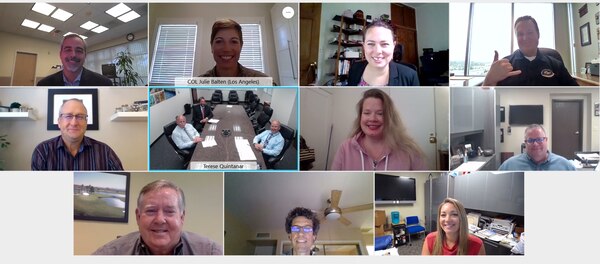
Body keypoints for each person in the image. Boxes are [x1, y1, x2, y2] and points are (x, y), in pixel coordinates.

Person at [92, 179, 223, 255]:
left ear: (182, 217)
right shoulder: (110, 254)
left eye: (169, 211)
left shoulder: (210, 252)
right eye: (151, 211)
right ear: (138, 216)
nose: (160, 219)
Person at [332, 88, 426, 170]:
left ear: (390, 118)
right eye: (367, 113)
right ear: (360, 116)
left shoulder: (409, 151)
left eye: (380, 113)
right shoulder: (345, 148)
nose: (372, 119)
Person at [482, 16, 578, 86]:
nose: (525, 38)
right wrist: (489, 80)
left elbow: (577, 94)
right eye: (520, 34)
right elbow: (486, 104)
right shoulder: (504, 65)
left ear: (538, 35)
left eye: (530, 32)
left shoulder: (556, 65)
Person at [31, 99, 123, 170]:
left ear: (86, 122)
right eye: (68, 116)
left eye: (80, 117)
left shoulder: (105, 152)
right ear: (59, 122)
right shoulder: (42, 151)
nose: (74, 123)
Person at [347, 19, 419, 86]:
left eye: (384, 44)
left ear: (393, 46)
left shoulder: (410, 76)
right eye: (371, 44)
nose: (378, 51)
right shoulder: (354, 68)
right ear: (364, 46)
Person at [200, 19, 272, 81]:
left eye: (234, 41)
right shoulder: (196, 87)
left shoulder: (264, 82)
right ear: (211, 46)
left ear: (241, 46)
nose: (226, 49)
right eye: (219, 41)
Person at [37, 34, 113, 86]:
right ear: (60, 54)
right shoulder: (44, 85)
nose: (73, 55)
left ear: (85, 55)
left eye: (79, 50)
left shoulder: (104, 84)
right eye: (68, 50)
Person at [498, 124, 576, 170]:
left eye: (539, 139)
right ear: (525, 143)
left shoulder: (565, 166)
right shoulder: (509, 166)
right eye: (530, 140)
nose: (535, 144)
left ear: (546, 140)